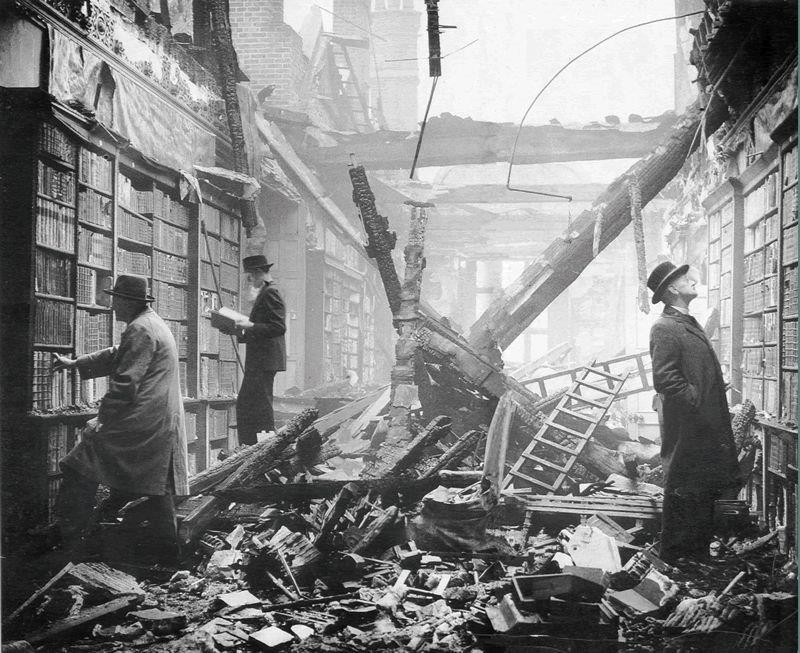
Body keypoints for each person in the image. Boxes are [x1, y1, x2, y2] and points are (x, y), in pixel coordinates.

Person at [52, 274, 189, 560]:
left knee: (79, 463)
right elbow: (119, 354)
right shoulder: (151, 323)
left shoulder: (140, 329)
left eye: (116, 299)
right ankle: (171, 556)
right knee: (157, 486)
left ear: (127, 302)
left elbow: (125, 383)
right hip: (158, 421)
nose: (113, 305)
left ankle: (67, 541)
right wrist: (77, 362)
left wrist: (101, 420)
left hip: (143, 421)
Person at [647, 261, 742, 563]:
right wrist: (696, 400)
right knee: (684, 493)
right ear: (673, 288)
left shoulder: (685, 321)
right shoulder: (664, 326)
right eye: (685, 279)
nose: (693, 281)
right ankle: (676, 560)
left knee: (701, 492)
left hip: (702, 425)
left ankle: (695, 561)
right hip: (689, 427)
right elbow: (665, 379)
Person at [235, 255, 286, 445]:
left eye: (250, 277)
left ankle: (260, 447)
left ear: (257, 274)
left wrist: (249, 326)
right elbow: (264, 328)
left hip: (263, 361)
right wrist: (238, 330)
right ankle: (253, 446)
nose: (250, 281)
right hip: (261, 361)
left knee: (258, 407)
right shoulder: (266, 292)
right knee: (251, 405)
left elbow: (278, 327)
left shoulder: (270, 293)